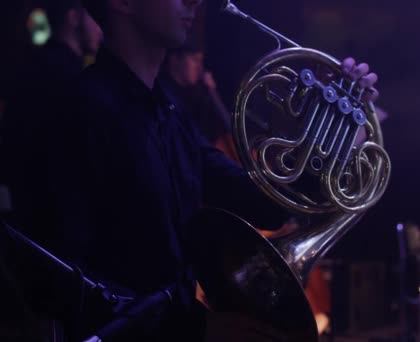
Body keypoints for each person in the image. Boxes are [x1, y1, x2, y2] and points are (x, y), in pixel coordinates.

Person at [1, 0, 381, 340]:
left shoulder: (170, 113)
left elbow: (267, 205)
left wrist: (330, 138)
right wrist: (193, 328)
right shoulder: (78, 111)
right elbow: (62, 279)